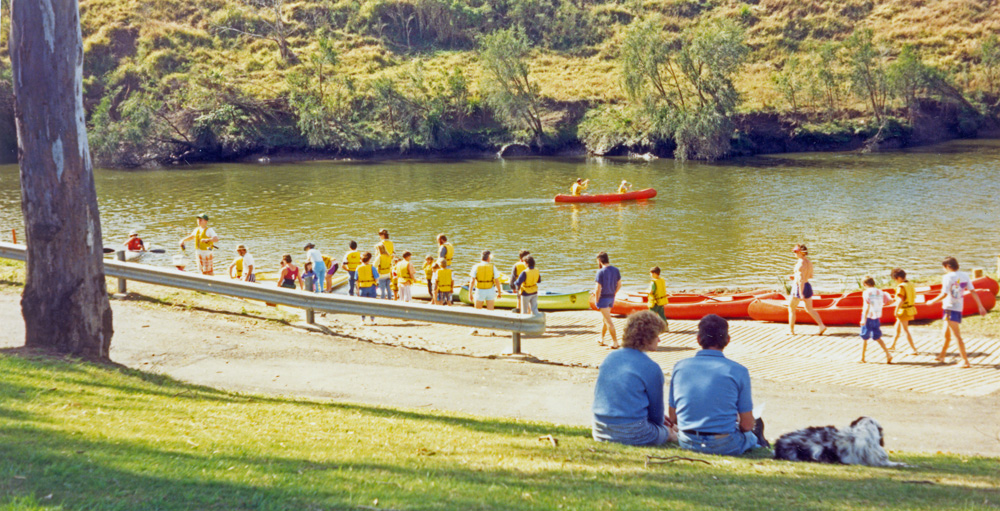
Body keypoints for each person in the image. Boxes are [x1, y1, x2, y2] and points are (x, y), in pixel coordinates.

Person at [669, 314, 768, 456]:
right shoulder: (738, 370)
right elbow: (746, 425)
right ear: (727, 340)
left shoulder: (680, 367)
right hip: (724, 443)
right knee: (751, 435)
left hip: (688, 441)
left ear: (698, 339)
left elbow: (673, 418)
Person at [592, 310, 677, 446]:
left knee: (661, 425)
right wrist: (667, 429)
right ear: (647, 338)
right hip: (633, 433)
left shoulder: (610, 358)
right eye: (657, 335)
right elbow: (656, 416)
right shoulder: (651, 368)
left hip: (600, 430)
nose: (659, 340)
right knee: (668, 431)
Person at [926, 257, 988, 368]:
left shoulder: (947, 277)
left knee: (956, 336)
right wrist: (980, 306)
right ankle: (942, 355)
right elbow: (972, 291)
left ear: (947, 267)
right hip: (958, 307)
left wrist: (932, 301)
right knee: (946, 333)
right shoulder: (964, 275)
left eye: (944, 267)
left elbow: (944, 294)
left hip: (950, 308)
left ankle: (965, 361)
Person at [788, 244, 827, 336]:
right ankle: (821, 325)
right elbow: (810, 276)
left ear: (800, 253)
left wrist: (801, 293)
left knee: (791, 308)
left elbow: (801, 280)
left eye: (795, 252)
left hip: (799, 287)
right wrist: (794, 276)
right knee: (809, 309)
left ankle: (791, 331)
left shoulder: (800, 264)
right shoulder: (809, 263)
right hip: (808, 286)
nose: (794, 253)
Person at [859, 276, 894, 364]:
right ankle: (888, 354)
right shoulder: (881, 292)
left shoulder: (866, 292)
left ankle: (862, 357)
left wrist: (863, 319)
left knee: (864, 337)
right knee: (877, 337)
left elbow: (867, 306)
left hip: (868, 316)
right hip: (877, 316)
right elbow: (889, 301)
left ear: (865, 284)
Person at [593, 252, 622, 348]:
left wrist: (597, 300)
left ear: (599, 260)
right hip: (611, 298)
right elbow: (619, 285)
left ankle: (615, 342)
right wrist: (614, 293)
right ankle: (601, 338)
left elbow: (598, 289)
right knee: (605, 319)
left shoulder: (600, 272)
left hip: (603, 298)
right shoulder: (616, 270)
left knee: (608, 321)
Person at [889, 267, 918, 355]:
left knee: (905, 330)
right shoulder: (910, 284)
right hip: (909, 308)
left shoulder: (901, 287)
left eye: (895, 279)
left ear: (897, 278)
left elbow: (901, 300)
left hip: (904, 310)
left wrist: (896, 310)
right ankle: (892, 345)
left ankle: (913, 349)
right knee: (897, 327)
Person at [356, 252, 380, 324]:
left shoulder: (358, 268)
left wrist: (357, 289)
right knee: (372, 303)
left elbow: (356, 280)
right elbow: (376, 278)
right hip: (371, 286)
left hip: (362, 287)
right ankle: (372, 320)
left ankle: (362, 320)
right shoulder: (372, 267)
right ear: (369, 259)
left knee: (363, 304)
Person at [647, 266, 669, 332]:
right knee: (661, 314)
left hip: (655, 302)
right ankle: (665, 327)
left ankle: (651, 328)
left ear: (654, 274)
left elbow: (651, 291)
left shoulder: (653, 282)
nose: (650, 275)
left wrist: (646, 291)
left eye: (651, 273)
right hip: (661, 301)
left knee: (651, 315)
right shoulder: (662, 280)